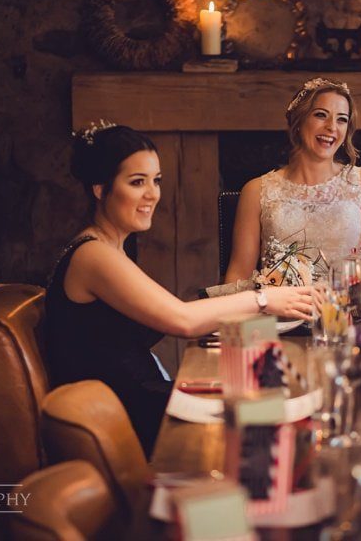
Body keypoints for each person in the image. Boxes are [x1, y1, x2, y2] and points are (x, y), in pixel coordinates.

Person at [45, 124, 312, 456]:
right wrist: (264, 299)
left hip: (138, 399)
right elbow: (183, 321)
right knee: (277, 411)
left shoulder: (107, 248)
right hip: (126, 419)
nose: (152, 194)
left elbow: (166, 315)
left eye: (156, 180)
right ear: (100, 189)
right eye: (137, 182)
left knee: (271, 394)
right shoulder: (94, 256)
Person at [224, 77, 361, 284]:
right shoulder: (256, 190)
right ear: (298, 121)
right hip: (281, 305)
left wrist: (340, 285)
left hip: (348, 302)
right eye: (321, 115)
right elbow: (238, 275)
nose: (332, 127)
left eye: (342, 119)